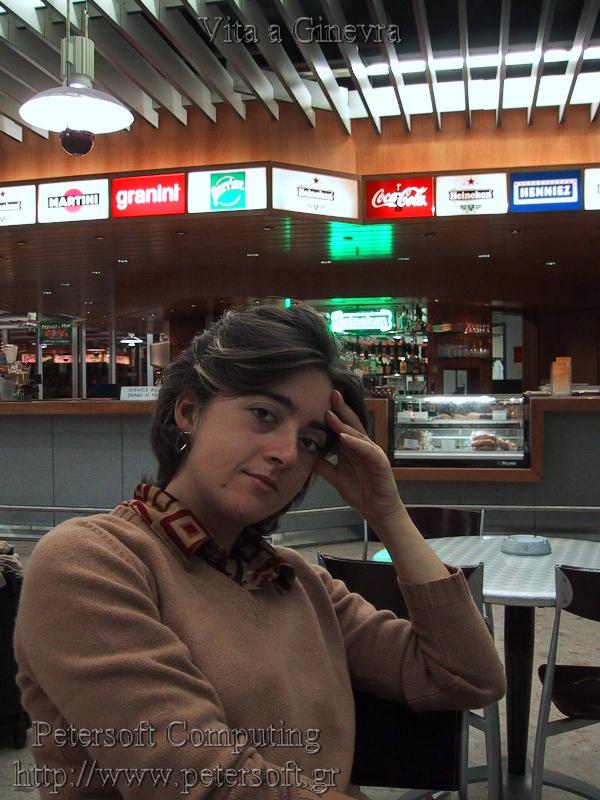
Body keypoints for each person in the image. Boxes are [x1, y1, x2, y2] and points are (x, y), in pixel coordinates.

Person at [14, 303, 505, 800]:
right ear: (189, 412)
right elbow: (203, 782)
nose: (286, 453)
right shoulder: (91, 563)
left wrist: (387, 513)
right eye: (264, 415)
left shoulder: (293, 581)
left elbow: (467, 676)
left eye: (310, 442)